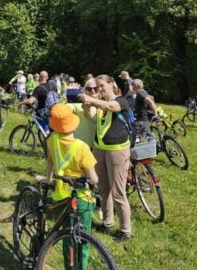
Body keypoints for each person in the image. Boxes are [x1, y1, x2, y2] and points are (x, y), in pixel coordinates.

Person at [35, 103, 99, 267]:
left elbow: (50, 162)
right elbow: (94, 179)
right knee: (82, 238)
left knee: (67, 237)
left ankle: (67, 265)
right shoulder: (82, 148)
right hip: (82, 198)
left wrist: (48, 179)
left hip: (61, 195)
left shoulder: (52, 140)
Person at [79, 74, 132, 243]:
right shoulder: (99, 103)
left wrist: (91, 99)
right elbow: (88, 115)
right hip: (100, 149)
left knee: (118, 192)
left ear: (111, 84)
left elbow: (112, 106)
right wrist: (87, 104)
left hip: (117, 151)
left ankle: (125, 230)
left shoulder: (121, 101)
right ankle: (107, 222)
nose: (99, 89)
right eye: (97, 86)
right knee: (103, 189)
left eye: (101, 86)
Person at [65, 78, 99, 148]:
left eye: (95, 88)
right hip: (82, 144)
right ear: (84, 90)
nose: (92, 91)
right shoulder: (77, 103)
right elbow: (63, 110)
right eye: (89, 89)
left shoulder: (104, 102)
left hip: (100, 146)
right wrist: (67, 95)